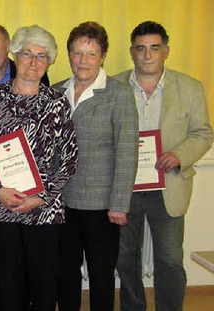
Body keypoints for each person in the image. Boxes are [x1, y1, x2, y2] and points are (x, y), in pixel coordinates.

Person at [0, 25, 78, 311]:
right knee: (4, 287)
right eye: (27, 53)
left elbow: (69, 157)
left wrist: (41, 197)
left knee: (43, 287)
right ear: (15, 55)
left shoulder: (57, 103)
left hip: (43, 210)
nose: (33, 62)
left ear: (49, 62)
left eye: (42, 56)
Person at [114, 21, 213, 311]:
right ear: (131, 52)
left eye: (154, 48)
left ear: (166, 51)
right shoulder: (113, 86)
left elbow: (204, 133)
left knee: (169, 259)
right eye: (141, 48)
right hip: (125, 188)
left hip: (169, 185)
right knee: (125, 257)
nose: (147, 55)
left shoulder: (190, 87)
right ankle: (133, 307)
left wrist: (180, 154)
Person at [52, 21, 138, 311]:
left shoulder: (118, 93)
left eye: (91, 54)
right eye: (77, 53)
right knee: (65, 272)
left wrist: (120, 204)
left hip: (102, 205)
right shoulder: (55, 92)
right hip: (62, 202)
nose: (83, 60)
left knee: (101, 275)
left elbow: (127, 151)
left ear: (102, 56)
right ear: (69, 55)